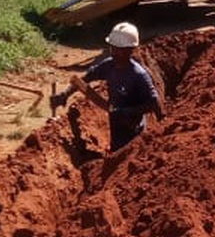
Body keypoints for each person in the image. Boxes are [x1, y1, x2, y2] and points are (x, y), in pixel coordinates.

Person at [51, 22, 164, 152]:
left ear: (130, 50)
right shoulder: (109, 66)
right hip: (116, 127)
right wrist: (65, 94)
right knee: (115, 150)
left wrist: (126, 112)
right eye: (112, 48)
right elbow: (83, 80)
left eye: (119, 49)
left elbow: (153, 103)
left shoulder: (138, 75)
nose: (114, 53)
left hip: (134, 133)